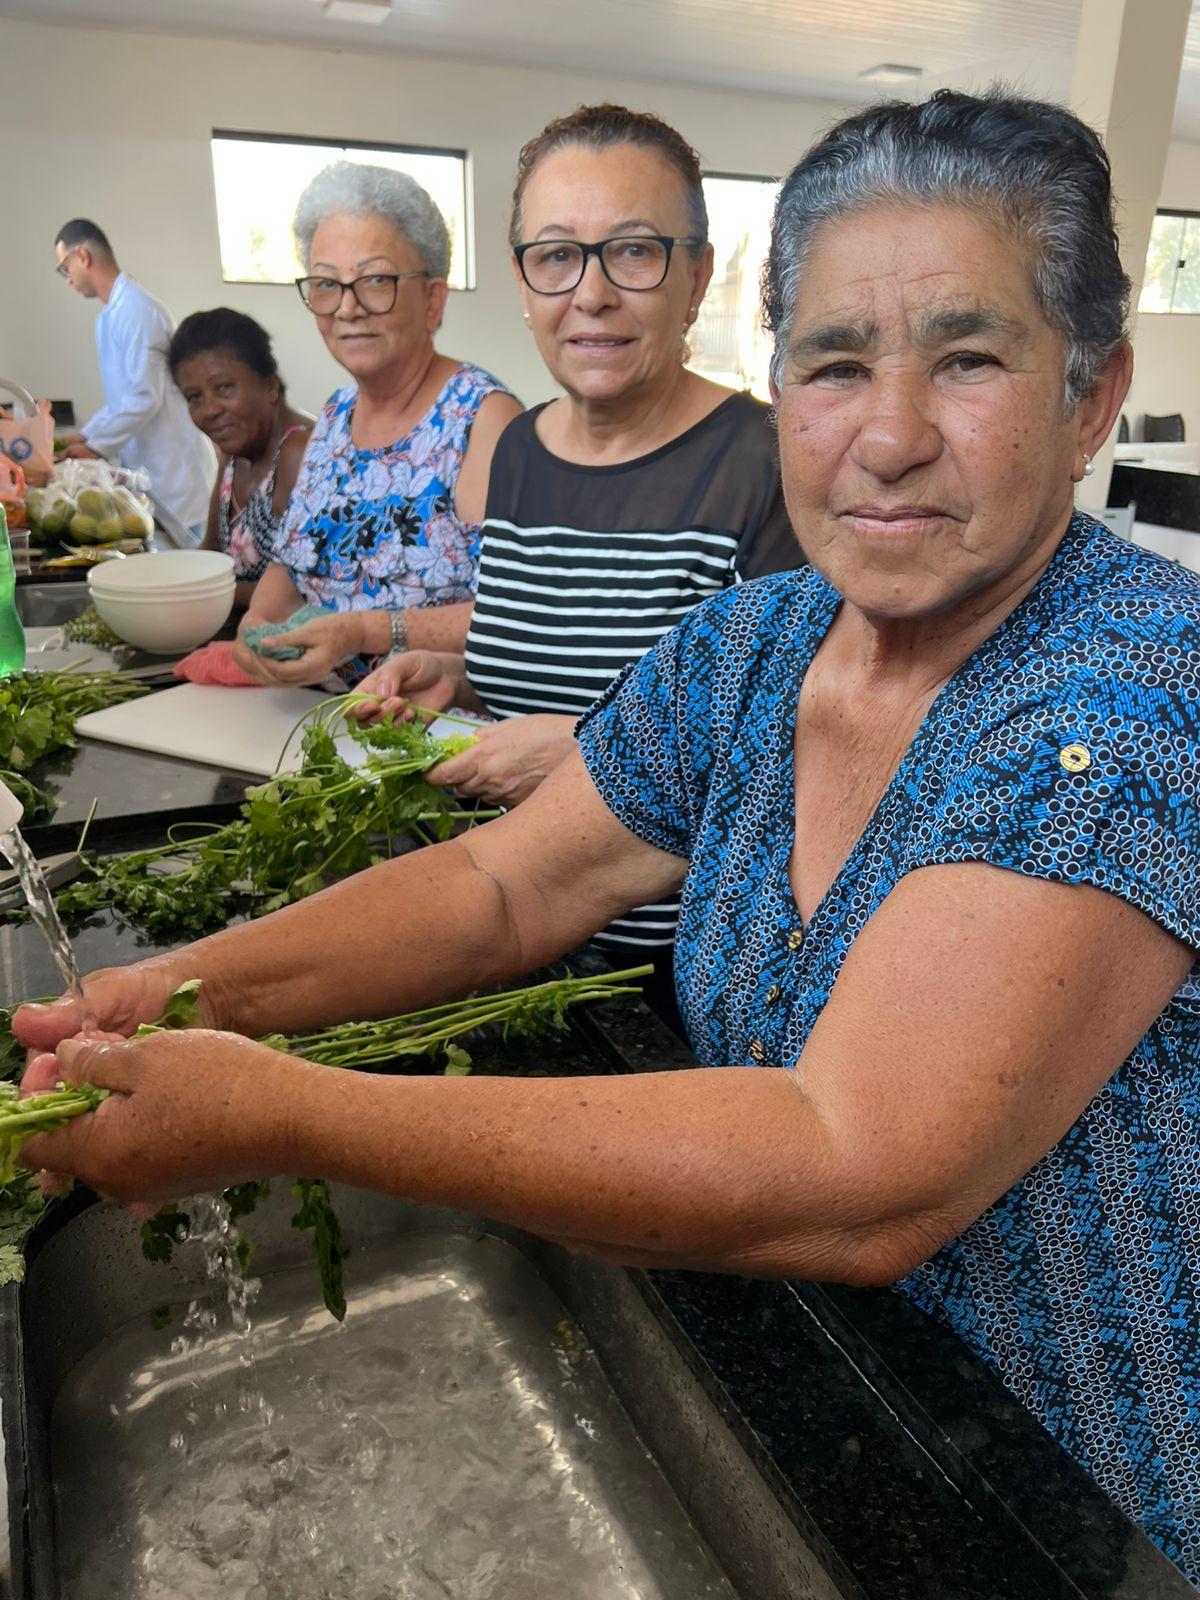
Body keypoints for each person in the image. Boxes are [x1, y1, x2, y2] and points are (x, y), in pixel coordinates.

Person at [19, 90, 1200, 1585]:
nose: (890, 436)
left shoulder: (1137, 689)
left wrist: (273, 1111)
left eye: (968, 358)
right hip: (801, 1383)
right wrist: (180, 987)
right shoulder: (759, 644)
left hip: (1051, 1504)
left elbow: (856, 1163)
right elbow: (508, 883)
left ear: (1092, 398)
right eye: (836, 363)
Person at [349, 105, 799, 981]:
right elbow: (549, 658)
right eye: (556, 256)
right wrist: (455, 677)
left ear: (697, 276)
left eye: (633, 251)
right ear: (523, 284)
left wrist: (596, 761)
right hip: (508, 934)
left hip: (668, 975)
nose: (590, 294)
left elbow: (807, 744)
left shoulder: (768, 461)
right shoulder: (519, 449)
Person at [230, 162, 521, 685]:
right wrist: (256, 628)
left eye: (375, 281)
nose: (348, 308)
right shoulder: (335, 417)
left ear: (433, 300)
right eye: (326, 284)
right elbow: (289, 567)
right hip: (318, 722)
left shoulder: (482, 419)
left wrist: (361, 630)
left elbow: (510, 617)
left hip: (434, 736)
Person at [53, 219, 215, 538]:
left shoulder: (139, 311)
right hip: (150, 470)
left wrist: (96, 446)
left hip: (174, 474)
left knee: (182, 573)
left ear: (82, 256)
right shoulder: (111, 315)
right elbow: (123, 400)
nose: (67, 278)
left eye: (64, 267)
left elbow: (144, 397)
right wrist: (85, 436)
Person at [168, 309, 313, 609]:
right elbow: (212, 552)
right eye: (194, 397)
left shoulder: (299, 451)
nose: (209, 410)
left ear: (270, 386)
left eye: (224, 388)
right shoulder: (235, 454)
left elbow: (309, 590)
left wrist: (197, 594)